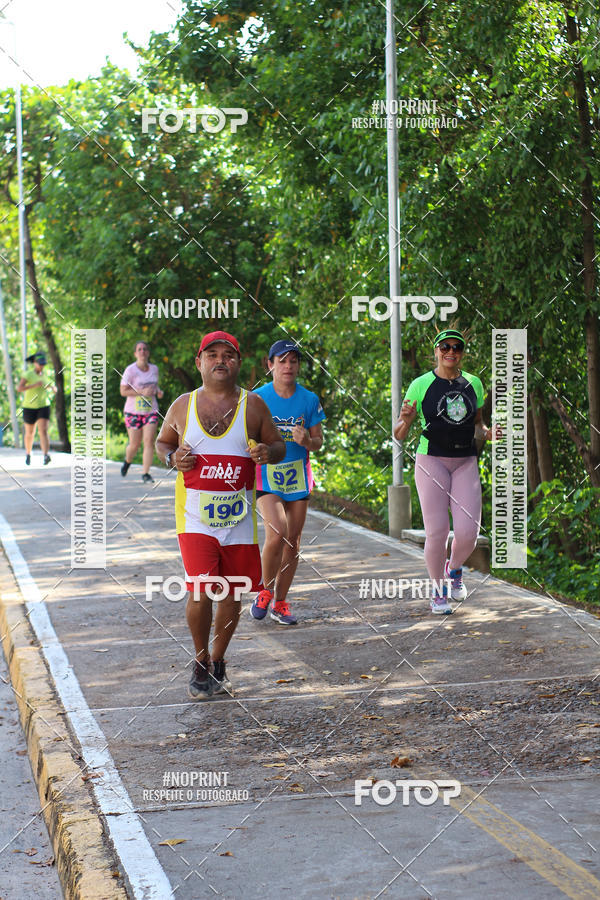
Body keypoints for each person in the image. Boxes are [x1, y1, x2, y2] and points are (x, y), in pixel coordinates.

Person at [156, 331, 285, 700]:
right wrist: (170, 459)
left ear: (238, 363)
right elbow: (162, 442)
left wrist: (266, 451)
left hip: (239, 522)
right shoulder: (183, 405)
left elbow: (277, 444)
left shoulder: (254, 405)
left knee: (233, 594)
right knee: (200, 590)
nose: (220, 360)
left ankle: (218, 662)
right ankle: (199, 664)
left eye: (228, 355)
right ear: (199, 363)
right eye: (211, 354)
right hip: (194, 518)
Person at [393, 328, 493, 614]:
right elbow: (399, 434)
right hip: (431, 460)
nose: (451, 352)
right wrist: (407, 420)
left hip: (465, 461)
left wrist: (489, 434)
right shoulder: (421, 384)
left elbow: (478, 425)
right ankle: (438, 593)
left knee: (468, 533)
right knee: (438, 532)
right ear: (436, 350)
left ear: (462, 353)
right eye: (445, 347)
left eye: (456, 348)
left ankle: (455, 568)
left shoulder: (473, 383)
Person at [250, 340, 325, 625]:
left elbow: (319, 442)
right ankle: (264, 591)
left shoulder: (309, 399)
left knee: (292, 541)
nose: (288, 366)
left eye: (293, 361)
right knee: (277, 532)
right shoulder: (257, 398)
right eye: (282, 361)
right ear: (270, 365)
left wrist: (308, 440)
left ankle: (281, 602)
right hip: (268, 474)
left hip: (298, 476)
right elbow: (245, 434)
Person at [120, 341, 163, 484]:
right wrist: (140, 392)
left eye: (145, 349)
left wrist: (158, 392)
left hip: (150, 411)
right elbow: (123, 391)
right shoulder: (130, 370)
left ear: (148, 352)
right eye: (139, 349)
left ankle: (146, 473)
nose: (142, 351)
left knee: (149, 441)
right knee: (134, 444)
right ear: (135, 353)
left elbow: (154, 387)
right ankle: (128, 461)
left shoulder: (154, 369)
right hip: (133, 412)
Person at [17, 352, 56, 465]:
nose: (42, 366)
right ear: (35, 363)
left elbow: (52, 386)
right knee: (30, 432)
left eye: (43, 364)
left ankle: (45, 455)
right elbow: (19, 388)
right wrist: (33, 385)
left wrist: (53, 388)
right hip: (29, 406)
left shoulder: (45, 375)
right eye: (40, 364)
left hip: (43, 405)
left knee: (43, 430)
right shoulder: (28, 375)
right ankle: (28, 453)